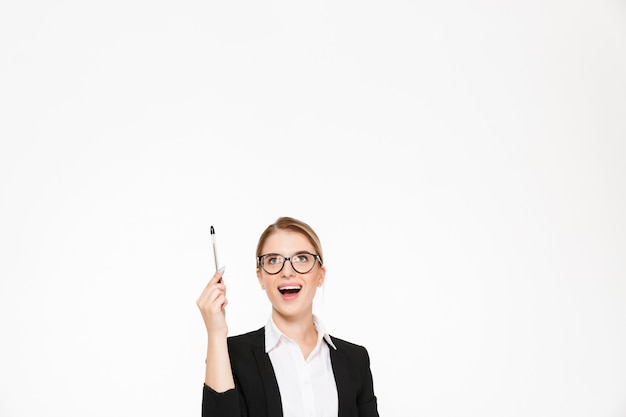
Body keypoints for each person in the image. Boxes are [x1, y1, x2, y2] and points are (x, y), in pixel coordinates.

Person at [196, 216, 379, 417]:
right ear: (261, 277)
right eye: (273, 260)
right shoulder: (232, 354)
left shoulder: (355, 360)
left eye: (302, 258)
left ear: (320, 275)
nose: (287, 271)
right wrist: (215, 334)